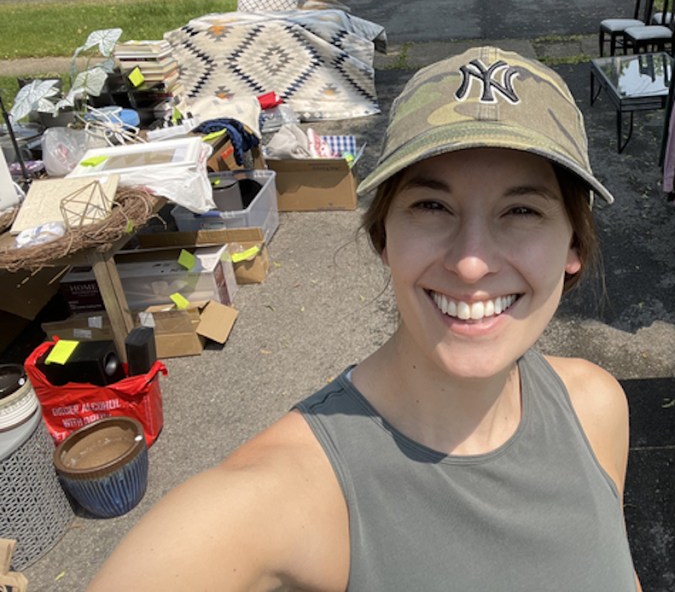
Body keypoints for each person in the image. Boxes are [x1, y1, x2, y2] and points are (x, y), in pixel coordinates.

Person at [88, 46, 640, 591]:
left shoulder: (594, 409)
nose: (472, 262)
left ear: (574, 247)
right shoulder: (289, 495)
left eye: (522, 211)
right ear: (384, 238)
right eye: (431, 206)